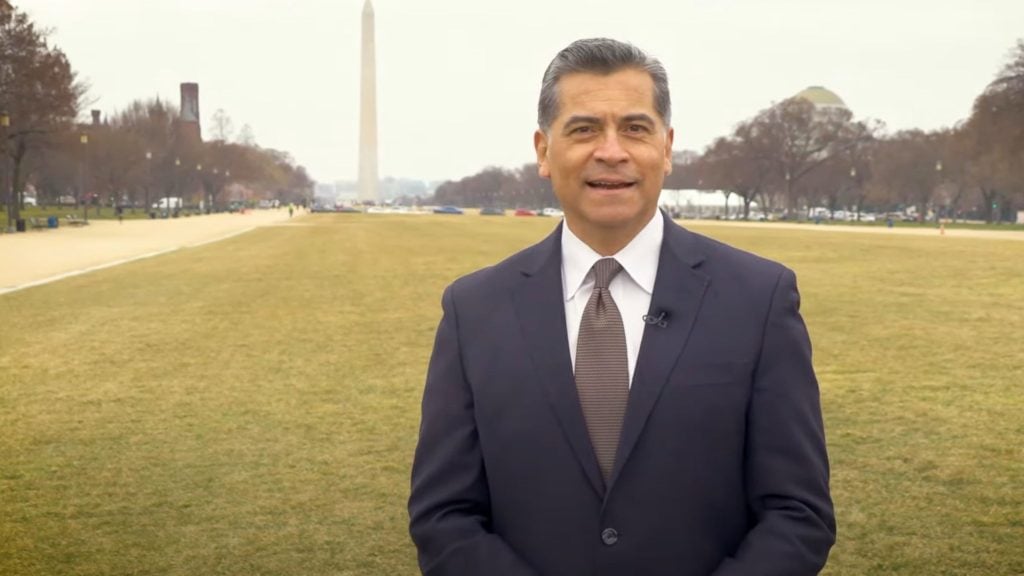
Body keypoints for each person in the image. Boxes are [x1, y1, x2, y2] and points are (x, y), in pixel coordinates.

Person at [409, 38, 835, 576]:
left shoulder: (759, 298)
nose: (611, 151)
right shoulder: (474, 310)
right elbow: (443, 516)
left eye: (635, 128)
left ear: (667, 147)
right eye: (584, 129)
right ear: (543, 151)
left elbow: (798, 513)